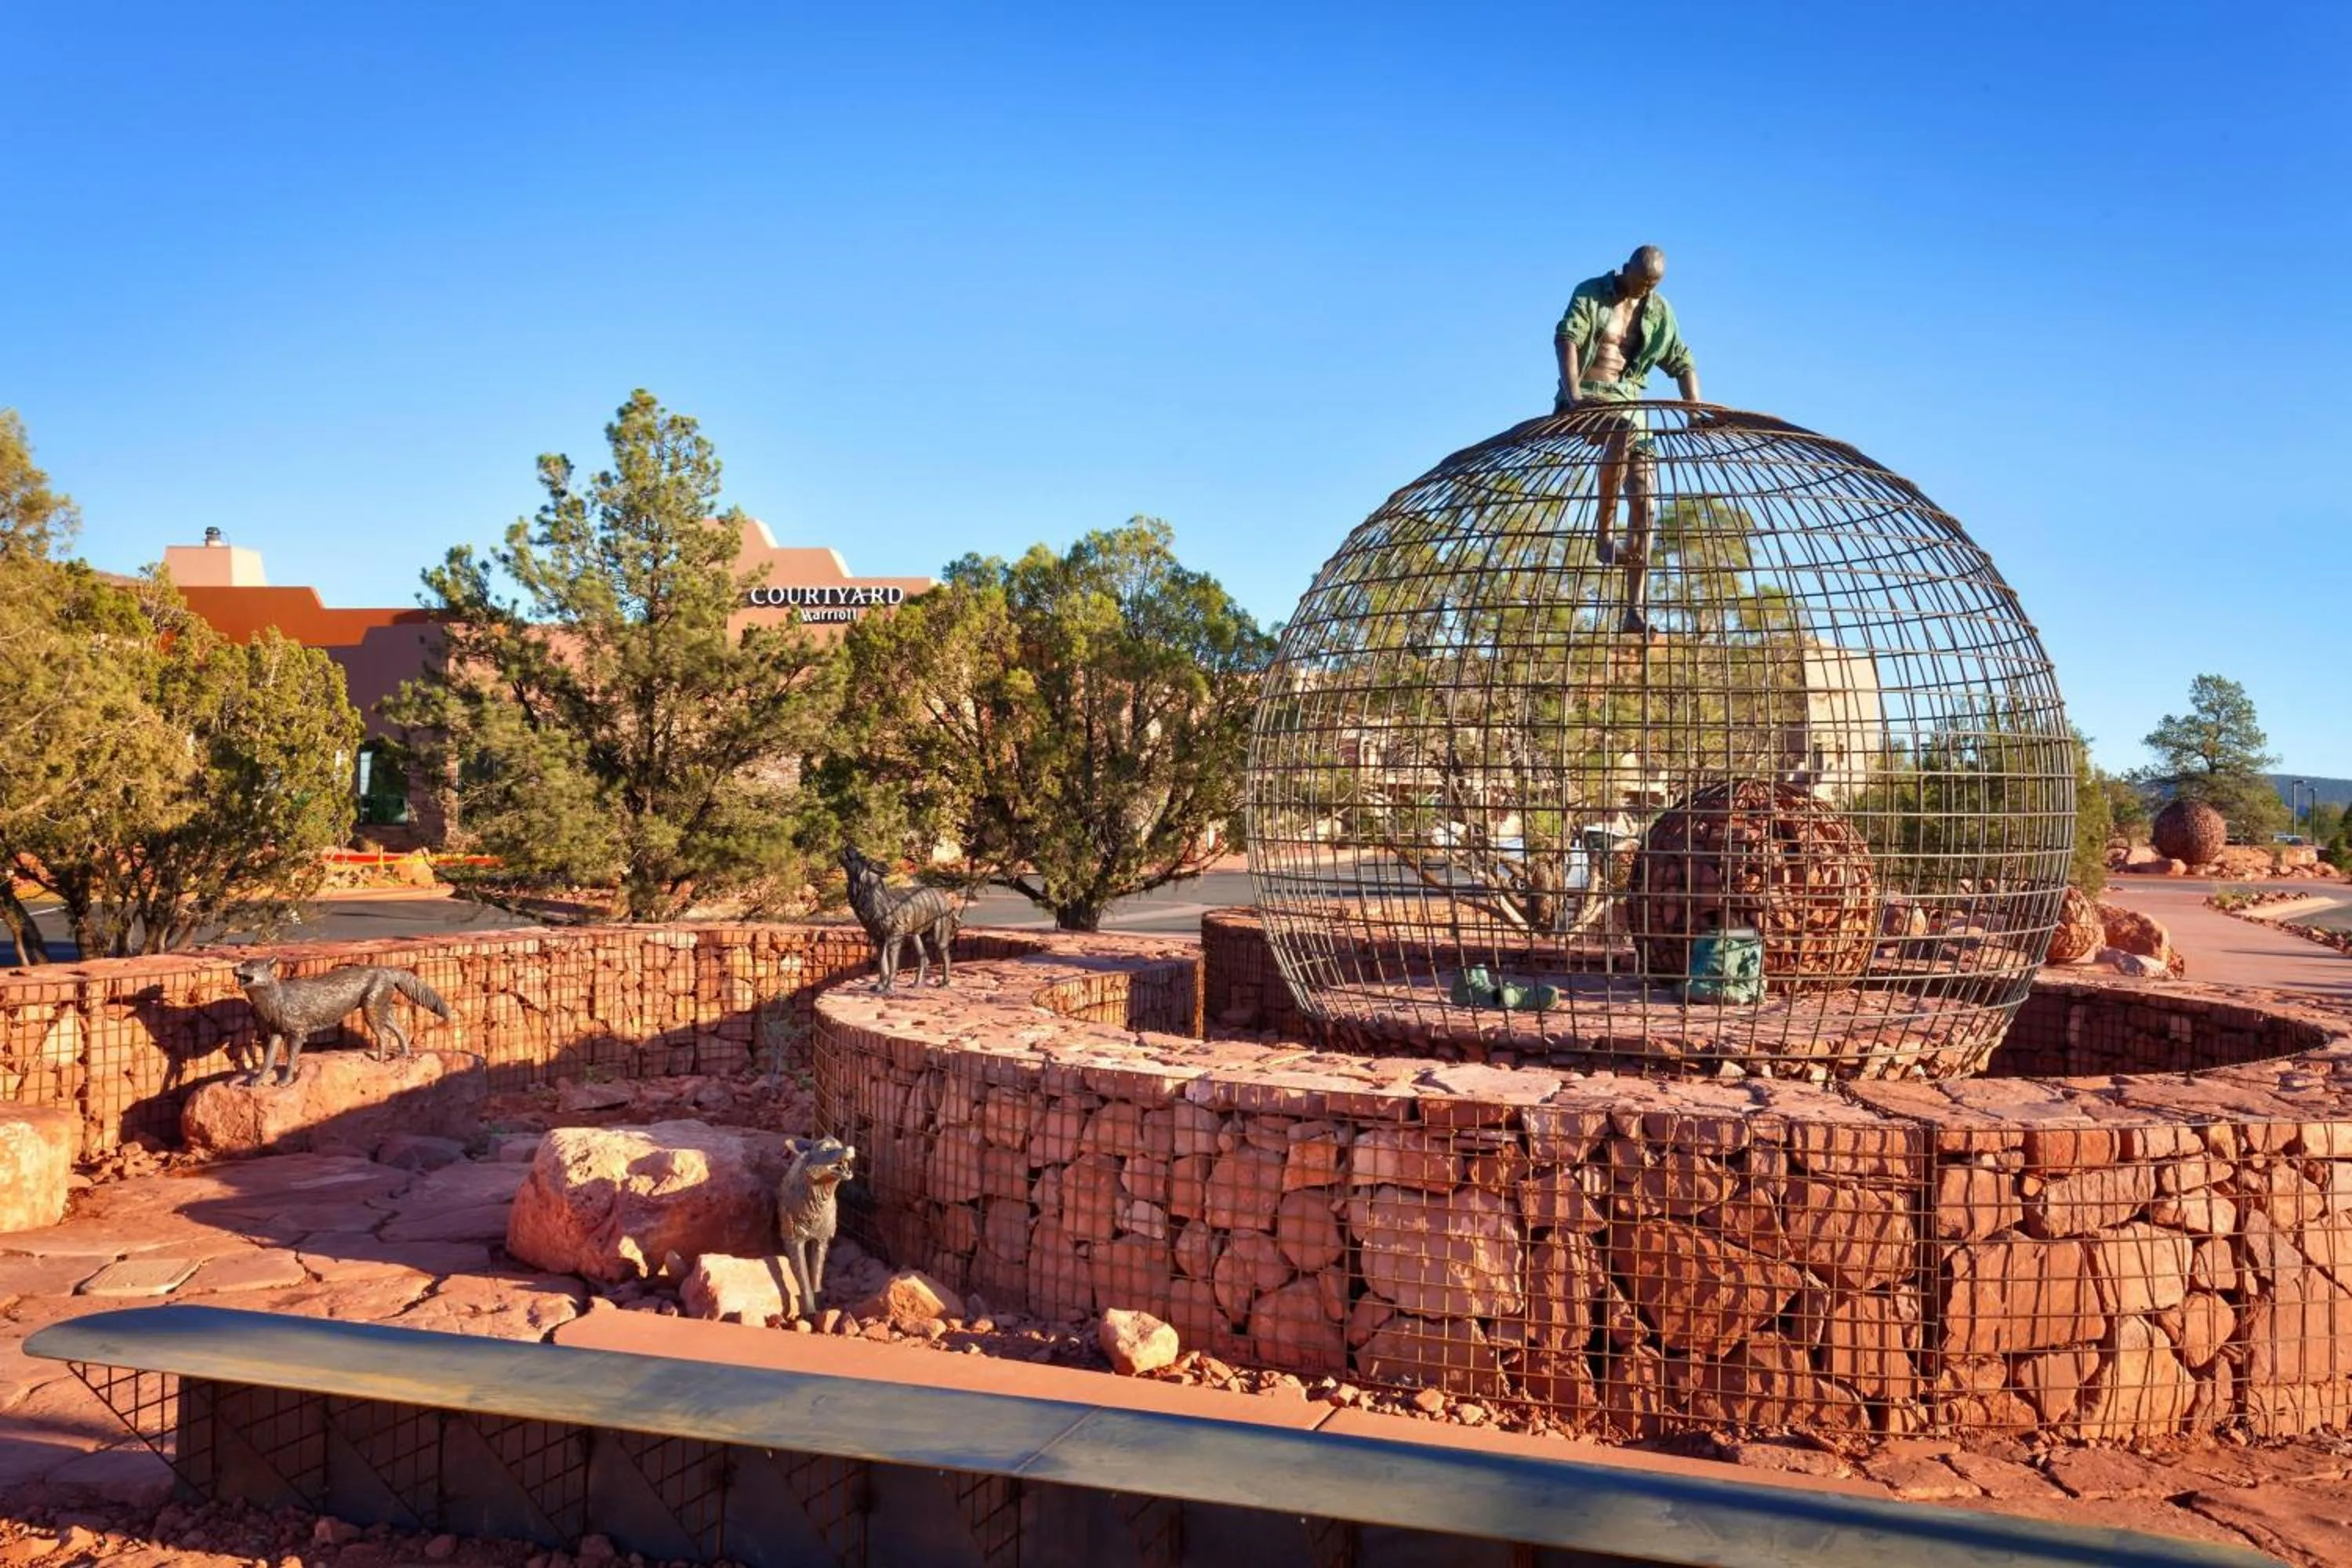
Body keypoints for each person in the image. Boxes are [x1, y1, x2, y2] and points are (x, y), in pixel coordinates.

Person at [1552, 245, 1702, 633]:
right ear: (1625, 270)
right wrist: (1574, 397)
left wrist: (1695, 411)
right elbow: (1566, 339)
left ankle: (1634, 610)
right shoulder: (1591, 292)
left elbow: (1682, 361)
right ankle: (1603, 537)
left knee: (1646, 503)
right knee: (1621, 430)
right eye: (1638, 284)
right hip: (1587, 397)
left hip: (1631, 406)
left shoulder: (1658, 310)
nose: (1642, 292)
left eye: (1650, 287)